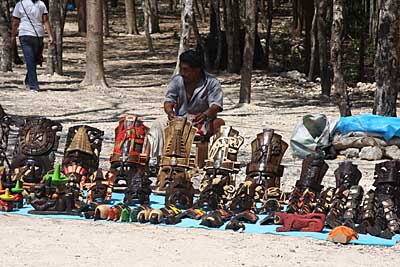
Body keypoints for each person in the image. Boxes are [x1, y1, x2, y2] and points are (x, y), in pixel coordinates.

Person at [145, 49, 225, 166]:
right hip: (179, 120)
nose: (182, 72)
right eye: (181, 69)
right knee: (157, 124)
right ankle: (150, 161)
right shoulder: (177, 80)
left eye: (186, 70)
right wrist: (169, 112)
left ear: (197, 70)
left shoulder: (212, 82)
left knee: (219, 123)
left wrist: (205, 115)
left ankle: (214, 161)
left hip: (202, 121)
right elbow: (168, 101)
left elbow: (215, 106)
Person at [11, 0, 54, 92]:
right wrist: (50, 35)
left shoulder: (20, 4)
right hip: (38, 35)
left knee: (31, 60)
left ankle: (32, 84)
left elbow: (15, 22)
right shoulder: (41, 4)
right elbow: (45, 21)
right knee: (32, 60)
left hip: (25, 34)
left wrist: (13, 35)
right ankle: (31, 83)